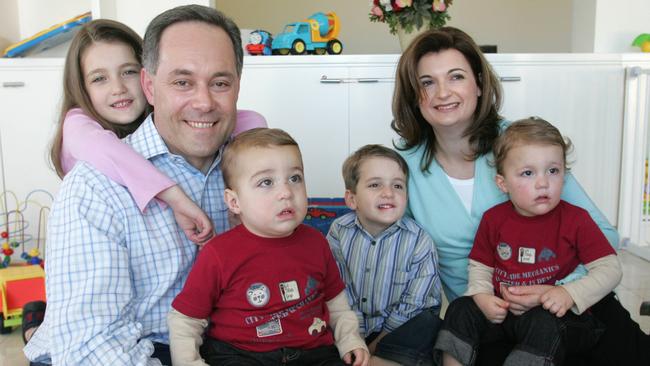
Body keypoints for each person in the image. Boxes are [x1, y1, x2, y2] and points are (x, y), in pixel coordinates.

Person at [391, 26, 650, 365]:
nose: (442, 92)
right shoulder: (403, 169)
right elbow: (399, 253)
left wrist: (554, 292)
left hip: (568, 310)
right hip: (490, 322)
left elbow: (605, 236)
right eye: (427, 82)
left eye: (456, 77)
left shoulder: (523, 146)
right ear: (414, 95)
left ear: (479, 84)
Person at [20, 18, 267, 347]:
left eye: (220, 83)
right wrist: (174, 195)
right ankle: (38, 328)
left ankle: (39, 323)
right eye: (182, 82)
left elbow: (252, 122)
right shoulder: (88, 152)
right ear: (152, 85)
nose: (119, 89)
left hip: (218, 343)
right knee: (53, 338)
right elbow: (89, 344)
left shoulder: (228, 140)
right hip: (137, 345)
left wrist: (256, 175)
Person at [168, 128, 370, 366]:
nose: (286, 192)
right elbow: (185, 319)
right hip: (240, 354)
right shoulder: (219, 253)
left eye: (295, 178)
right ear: (234, 201)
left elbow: (336, 304)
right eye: (266, 182)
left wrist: (350, 340)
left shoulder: (316, 242)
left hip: (312, 352)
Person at [435, 118, 622, 365]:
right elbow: (481, 266)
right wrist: (481, 295)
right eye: (528, 173)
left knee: (544, 322)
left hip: (562, 319)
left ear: (564, 175)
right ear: (503, 184)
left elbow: (611, 269)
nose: (543, 182)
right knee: (460, 308)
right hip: (506, 316)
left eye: (553, 171)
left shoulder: (576, 219)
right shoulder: (494, 219)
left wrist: (568, 292)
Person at [327, 144, 442, 366]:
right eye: (375, 184)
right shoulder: (339, 231)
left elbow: (415, 303)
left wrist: (375, 344)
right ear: (352, 199)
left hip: (401, 327)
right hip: (354, 325)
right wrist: (356, 339)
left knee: (430, 324)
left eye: (398, 185)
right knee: (321, 323)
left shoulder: (418, 239)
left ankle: (376, 358)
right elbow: (340, 289)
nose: (388, 192)